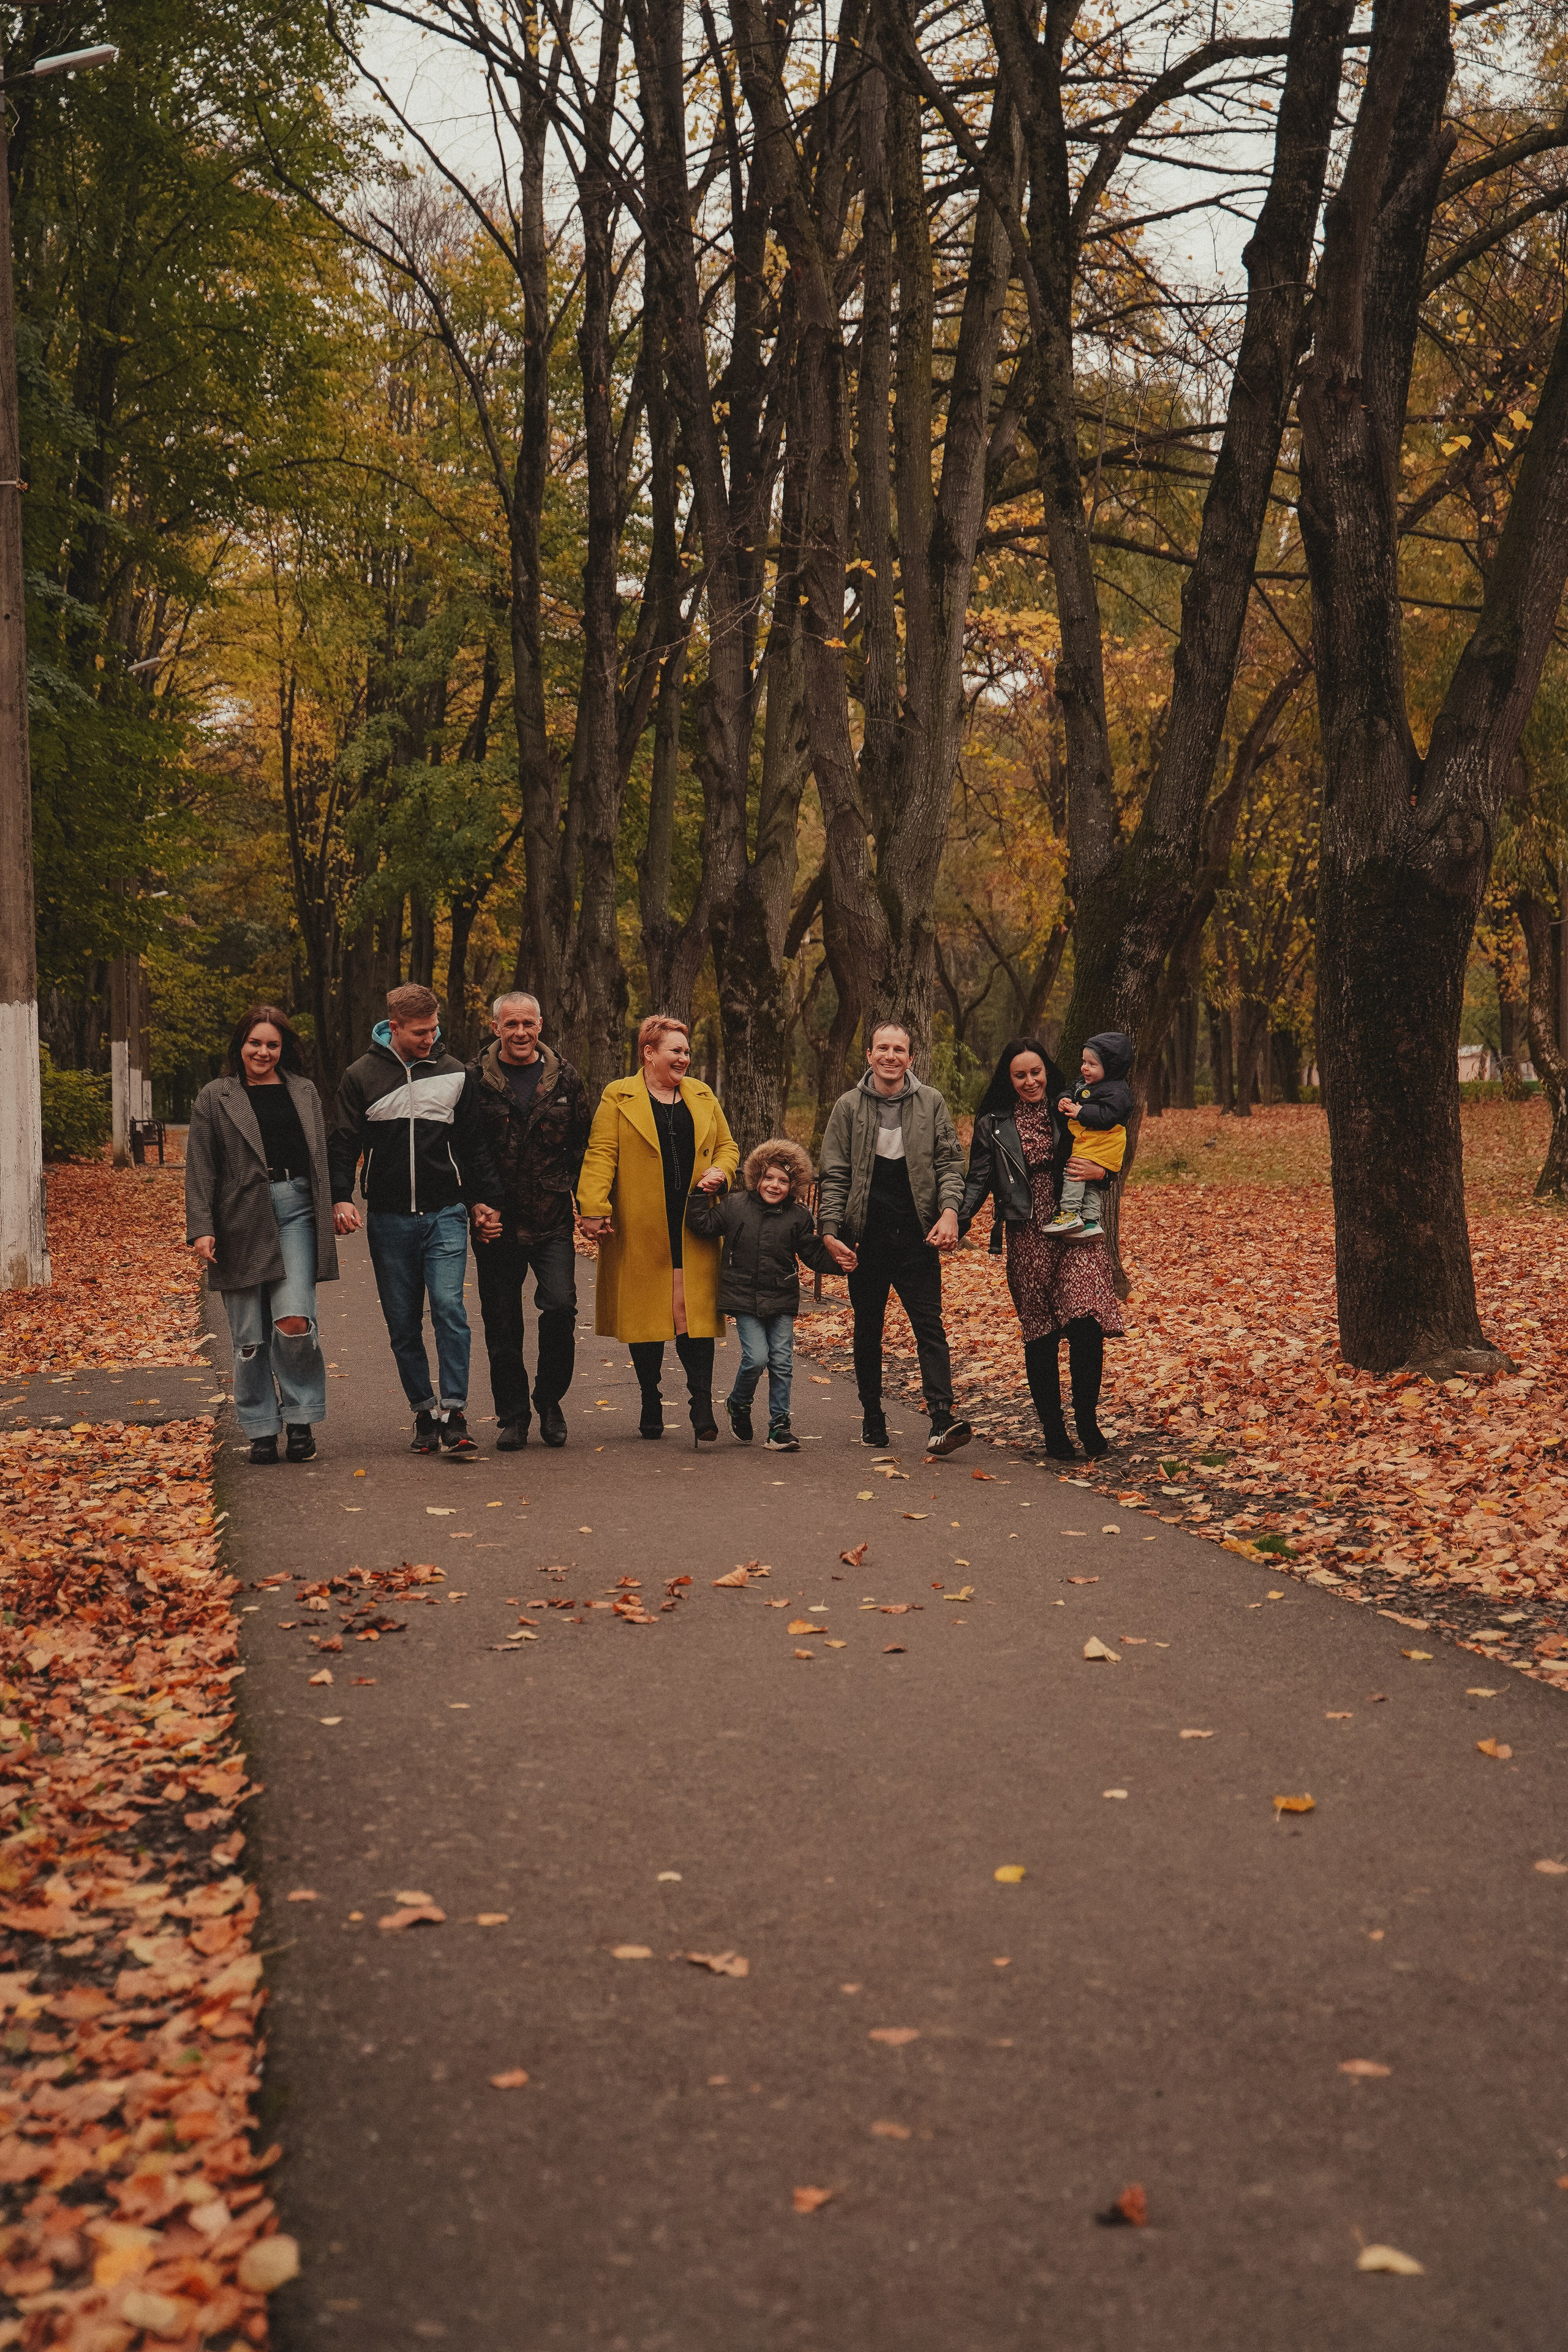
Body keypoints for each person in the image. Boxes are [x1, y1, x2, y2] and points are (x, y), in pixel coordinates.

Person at [327, 984, 503, 1458]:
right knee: (403, 1322)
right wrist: (341, 1197)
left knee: (449, 1309)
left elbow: (474, 1145)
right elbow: (343, 1141)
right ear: (395, 1026)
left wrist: (484, 1200)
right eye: (420, 1032)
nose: (430, 1039)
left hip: (445, 1213)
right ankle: (424, 1413)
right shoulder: (361, 1076)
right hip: (389, 1220)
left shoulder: (455, 1073)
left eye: (434, 1029)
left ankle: (455, 1413)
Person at [958, 1035, 1126, 1460]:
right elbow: (978, 1179)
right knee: (1041, 1331)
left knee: (1086, 1321)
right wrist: (955, 1222)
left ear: (1047, 1071)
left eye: (1036, 1072)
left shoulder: (1070, 1105)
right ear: (1008, 1079)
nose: (1030, 1081)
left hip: (1077, 1224)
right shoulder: (993, 1122)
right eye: (1020, 1075)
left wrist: (1103, 1174)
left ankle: (1087, 1422)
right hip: (1028, 1230)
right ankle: (1053, 1429)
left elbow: (1107, 1143)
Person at [185, 1006, 338, 1466]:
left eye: (273, 1044)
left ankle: (301, 1419)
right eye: (255, 1043)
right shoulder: (215, 1097)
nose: (263, 1052)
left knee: (294, 1322)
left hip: (297, 1211)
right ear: (241, 1045)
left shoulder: (303, 1091)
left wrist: (336, 1203)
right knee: (249, 1339)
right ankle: (260, 1428)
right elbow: (200, 1166)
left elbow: (321, 1155)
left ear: (284, 1048)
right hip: (238, 1217)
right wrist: (201, 1227)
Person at [576, 1014, 739, 1442]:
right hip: (641, 1223)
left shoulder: (702, 1094)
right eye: (675, 1051)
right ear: (649, 1053)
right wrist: (593, 1205)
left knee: (693, 1314)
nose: (684, 1058)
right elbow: (601, 1153)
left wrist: (721, 1171)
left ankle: (701, 1405)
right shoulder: (619, 1095)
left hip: (695, 1221)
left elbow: (727, 1146)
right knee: (646, 1315)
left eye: (687, 1051)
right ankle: (650, 1396)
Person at [816, 1019, 971, 1455]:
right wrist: (830, 1231)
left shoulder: (931, 1102)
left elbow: (949, 1164)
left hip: (916, 1239)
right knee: (868, 1329)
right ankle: (872, 1414)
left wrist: (950, 1213)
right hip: (864, 1240)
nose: (890, 1056)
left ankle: (941, 1418)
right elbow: (835, 1175)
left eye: (899, 1049)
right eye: (882, 1048)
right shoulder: (848, 1106)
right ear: (869, 1055)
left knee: (930, 1326)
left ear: (911, 1058)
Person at [469, 990, 592, 1450]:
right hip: (496, 1220)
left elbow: (583, 1145)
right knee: (502, 1321)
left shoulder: (566, 1077)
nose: (520, 1032)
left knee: (560, 1307)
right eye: (511, 1024)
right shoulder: (475, 1079)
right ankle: (514, 1414)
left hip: (551, 1217)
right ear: (496, 1027)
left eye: (528, 1024)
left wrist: (591, 1206)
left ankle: (549, 1400)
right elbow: (465, 1149)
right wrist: (476, 1205)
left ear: (540, 1025)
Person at [685, 1137, 854, 1451]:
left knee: (782, 1362)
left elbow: (811, 1253)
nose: (775, 1186)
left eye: (784, 1181)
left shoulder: (799, 1216)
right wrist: (699, 1194)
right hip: (743, 1296)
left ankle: (779, 1427)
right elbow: (703, 1225)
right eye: (769, 1178)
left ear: (794, 1185)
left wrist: (840, 1262)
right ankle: (739, 1404)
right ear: (757, 1177)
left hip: (782, 1296)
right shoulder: (736, 1205)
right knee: (756, 1358)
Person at [1044, 1034, 1134, 1238]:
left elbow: (1110, 1115)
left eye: (1092, 1064)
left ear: (1110, 1067)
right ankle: (1091, 1221)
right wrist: (1064, 1100)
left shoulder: (1117, 1092)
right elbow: (1071, 1091)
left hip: (1102, 1142)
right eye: (1084, 1062)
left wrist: (1081, 1112)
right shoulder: (1085, 1083)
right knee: (1090, 1183)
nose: (1085, 1068)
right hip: (1094, 1142)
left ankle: (1070, 1213)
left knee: (1074, 1171)